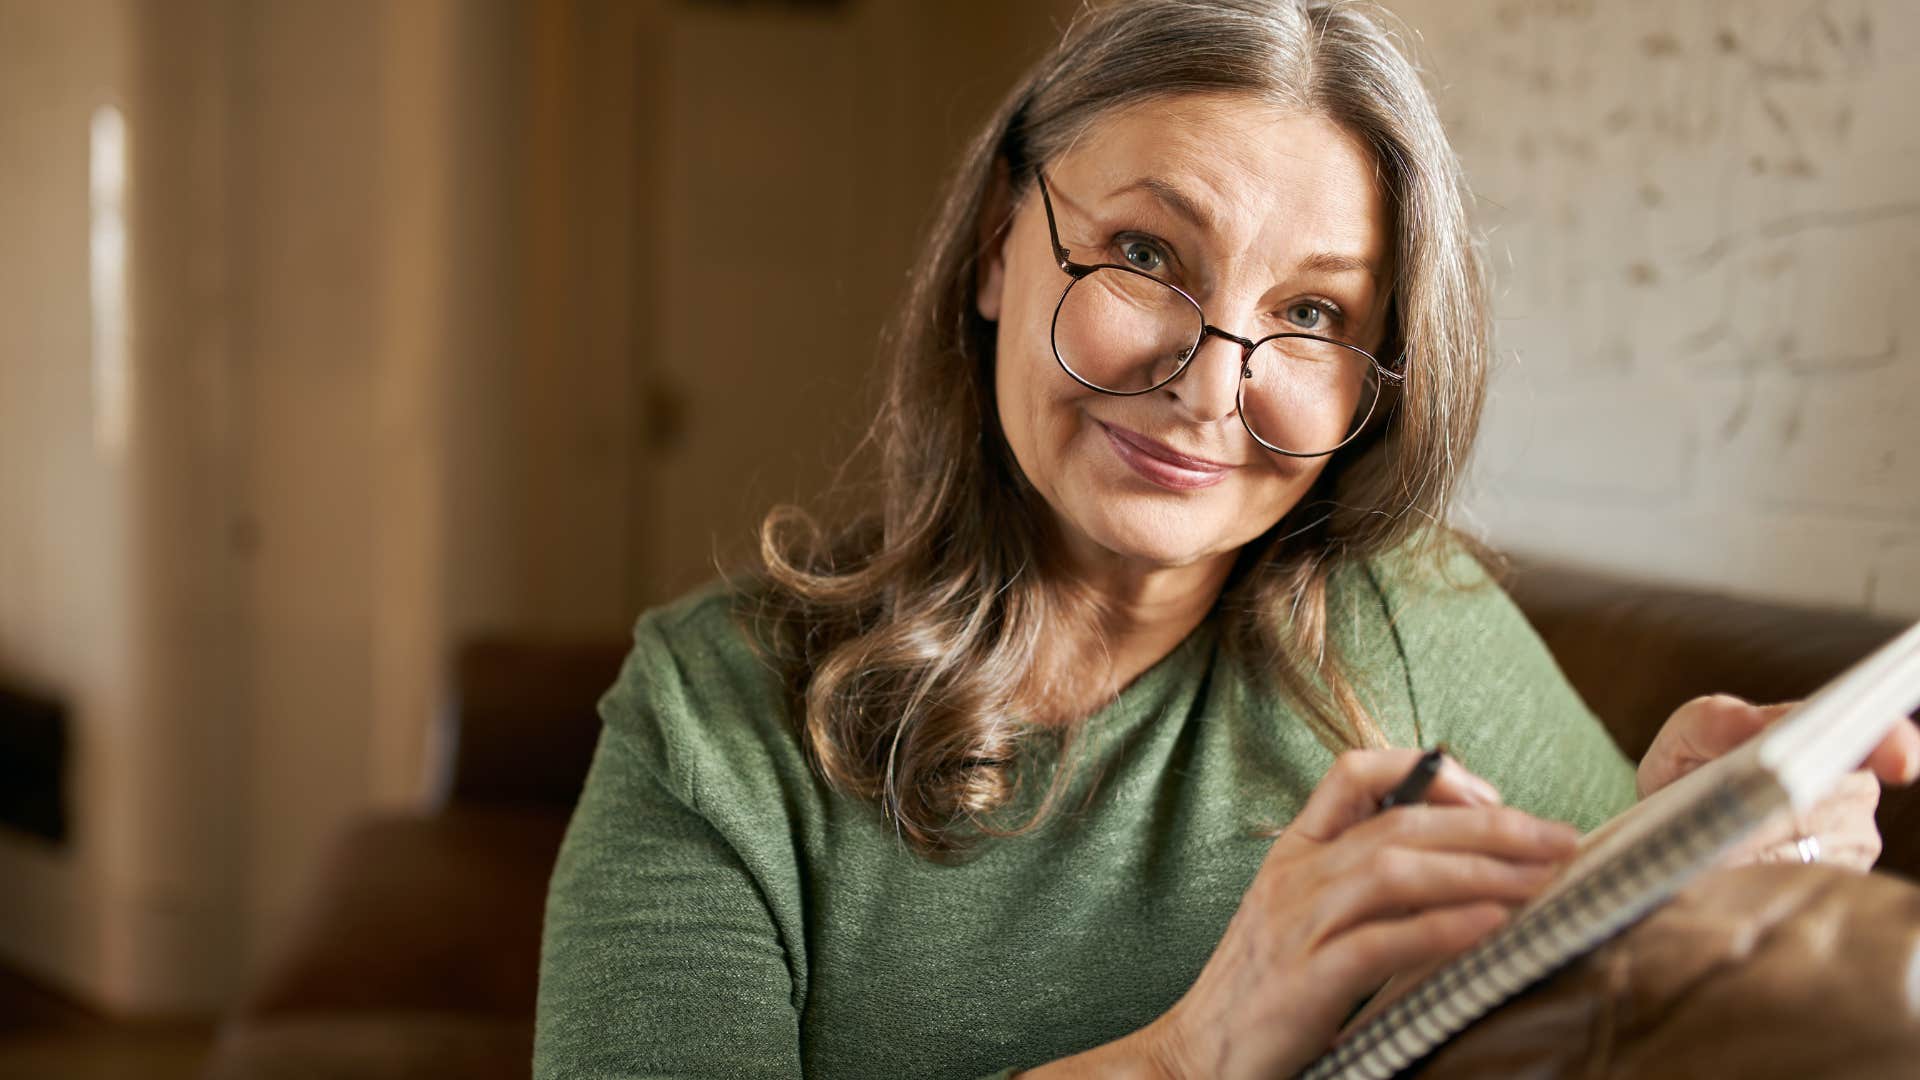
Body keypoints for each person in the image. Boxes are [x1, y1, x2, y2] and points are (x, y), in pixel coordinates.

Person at [532, 2, 1920, 1077]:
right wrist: (1190, 1050)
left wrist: (1680, 861)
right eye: (1146, 257)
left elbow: (1581, 1001)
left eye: (1314, 316)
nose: (1214, 387)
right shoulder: (712, 721)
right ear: (996, 250)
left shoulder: (1407, 617)